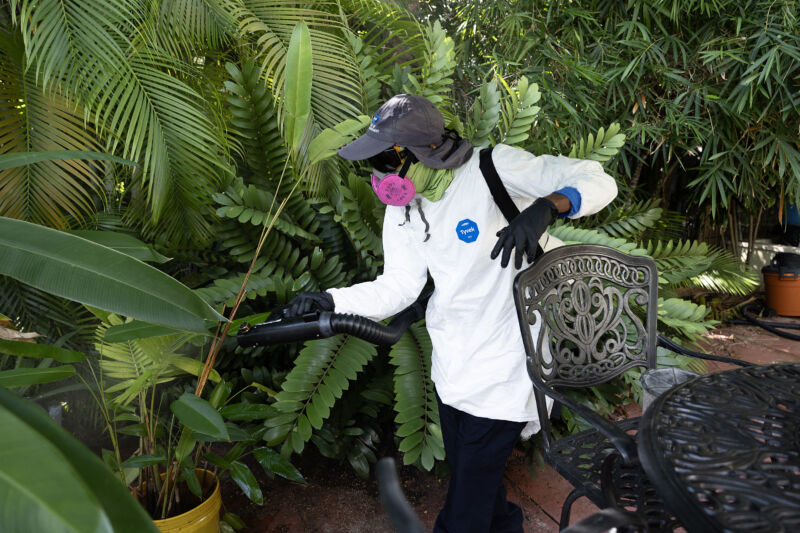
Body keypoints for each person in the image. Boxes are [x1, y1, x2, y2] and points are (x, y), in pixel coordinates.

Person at [286, 94, 618, 533]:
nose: (378, 174)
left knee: (464, 511)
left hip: (506, 362)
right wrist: (331, 300)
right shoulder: (403, 206)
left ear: (419, 153)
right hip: (453, 364)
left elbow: (599, 180)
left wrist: (546, 207)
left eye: (385, 160)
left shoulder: (493, 169)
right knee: (475, 483)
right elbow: (399, 286)